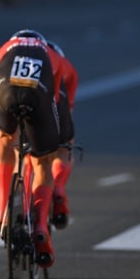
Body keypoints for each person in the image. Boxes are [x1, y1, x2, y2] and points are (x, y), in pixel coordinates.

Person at [0, 29, 63, 268]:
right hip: (38, 94)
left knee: (5, 138)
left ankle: (1, 210)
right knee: (43, 161)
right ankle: (40, 225)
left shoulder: (2, 50)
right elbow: (55, 98)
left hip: (4, 90)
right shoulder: (50, 53)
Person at [45, 39, 78, 230]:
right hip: (56, 104)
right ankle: (58, 186)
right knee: (65, 146)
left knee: (12, 142)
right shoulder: (66, 66)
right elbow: (68, 109)